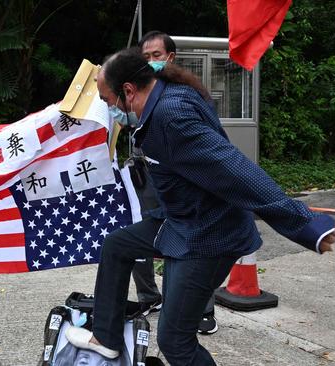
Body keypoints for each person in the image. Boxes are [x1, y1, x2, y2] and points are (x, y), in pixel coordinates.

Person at [65, 47, 335, 365]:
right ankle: (106, 338)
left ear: (128, 90)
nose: (108, 109)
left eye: (108, 102)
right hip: (179, 221)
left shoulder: (171, 117)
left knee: (175, 340)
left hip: (207, 236)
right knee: (117, 245)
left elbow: (235, 170)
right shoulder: (162, 90)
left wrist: (305, 224)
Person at [127, 30, 218, 333]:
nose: (151, 61)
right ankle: (150, 297)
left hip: (181, 181)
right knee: (141, 232)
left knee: (189, 238)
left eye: (156, 56)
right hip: (144, 176)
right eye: (145, 57)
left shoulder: (184, 92)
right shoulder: (135, 89)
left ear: (170, 57)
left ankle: (201, 309)